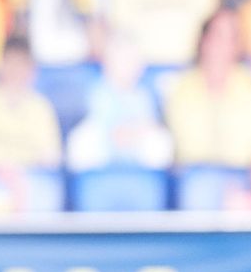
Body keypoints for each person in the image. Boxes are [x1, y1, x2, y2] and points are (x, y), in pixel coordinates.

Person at [163, 9, 251, 172]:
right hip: (193, 176)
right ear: (204, 40)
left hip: (240, 180)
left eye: (232, 37)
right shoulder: (180, 87)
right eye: (218, 35)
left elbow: (248, 150)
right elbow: (187, 146)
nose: (224, 44)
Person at [65, 32, 173, 171]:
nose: (127, 66)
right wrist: (125, 133)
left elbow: (149, 124)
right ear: (108, 63)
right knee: (82, 142)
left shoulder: (143, 95)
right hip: (104, 147)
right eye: (122, 60)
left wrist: (134, 133)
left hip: (136, 147)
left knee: (161, 142)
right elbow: (105, 127)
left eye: (132, 60)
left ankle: (151, 184)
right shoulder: (98, 92)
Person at [0, 39, 63, 170]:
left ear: (31, 69)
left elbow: (51, 158)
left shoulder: (41, 107)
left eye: (20, 64)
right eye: (10, 62)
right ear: (0, 65)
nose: (14, 69)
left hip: (30, 181)